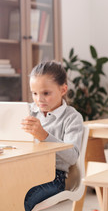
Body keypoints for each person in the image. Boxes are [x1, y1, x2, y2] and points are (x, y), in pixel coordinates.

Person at [21, 61, 84, 211]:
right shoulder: (28, 111)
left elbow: (72, 157)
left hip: (54, 176)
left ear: (63, 90)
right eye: (34, 93)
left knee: (21, 199)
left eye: (46, 93)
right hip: (26, 169)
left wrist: (45, 136)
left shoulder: (72, 117)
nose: (39, 99)